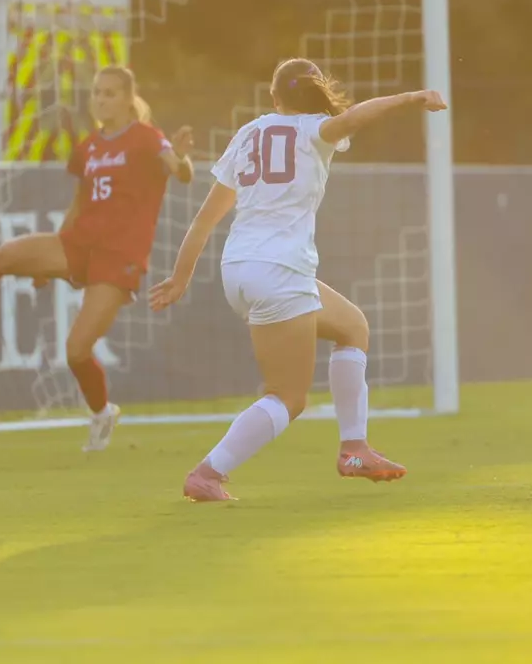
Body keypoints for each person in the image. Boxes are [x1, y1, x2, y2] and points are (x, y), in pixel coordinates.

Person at [149, 58, 447, 502]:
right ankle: (208, 473)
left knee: (352, 326)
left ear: (274, 98)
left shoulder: (248, 135)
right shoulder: (315, 130)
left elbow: (204, 219)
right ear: (315, 93)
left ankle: (355, 448)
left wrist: (180, 277)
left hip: (239, 268)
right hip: (280, 271)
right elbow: (356, 117)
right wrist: (411, 97)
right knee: (288, 398)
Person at [0, 65, 193, 451]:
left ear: (127, 99)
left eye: (110, 93)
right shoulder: (89, 148)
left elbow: (179, 171)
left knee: (76, 350)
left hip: (120, 257)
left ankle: (102, 413)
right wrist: (52, 260)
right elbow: (79, 204)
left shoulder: (147, 137)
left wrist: (181, 159)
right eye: (97, 92)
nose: (101, 100)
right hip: (79, 243)